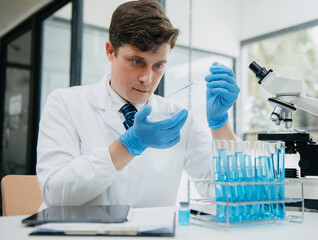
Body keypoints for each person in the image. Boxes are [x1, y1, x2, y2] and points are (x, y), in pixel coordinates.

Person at [36, 0, 240, 209]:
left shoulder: (178, 118)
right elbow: (55, 193)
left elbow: (228, 191)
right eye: (136, 61)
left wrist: (220, 123)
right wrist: (129, 145)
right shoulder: (65, 103)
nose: (147, 78)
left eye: (158, 65)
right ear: (109, 51)